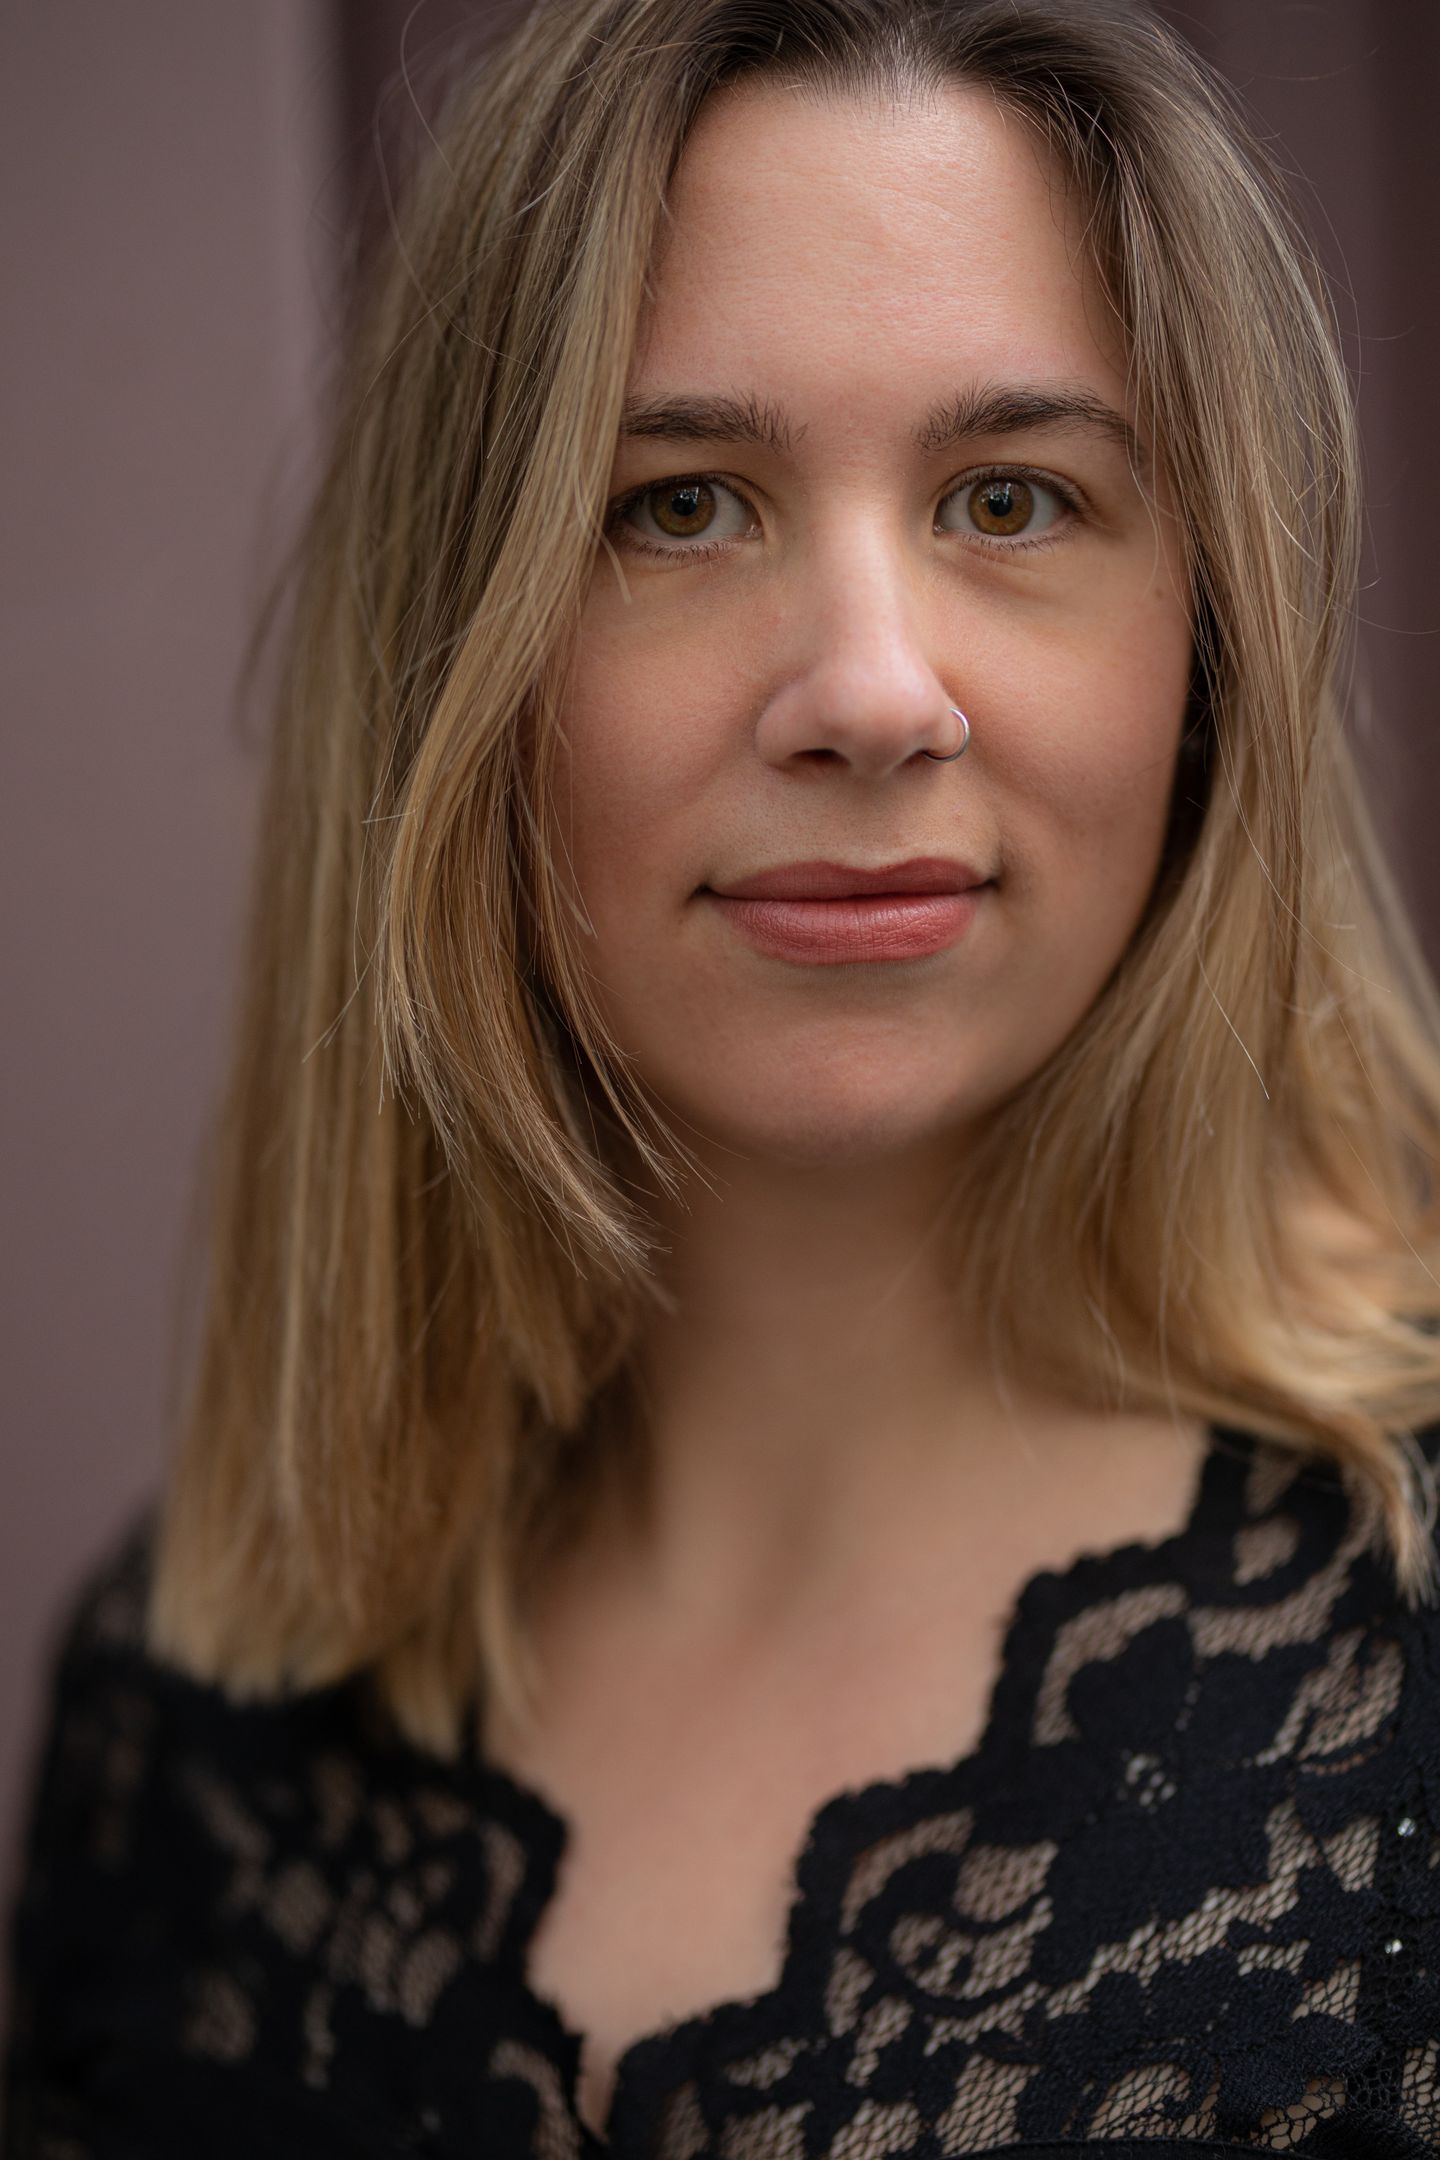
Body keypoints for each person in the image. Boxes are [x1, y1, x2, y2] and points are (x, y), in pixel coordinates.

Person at [8, 0, 1440, 2150]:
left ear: (1209, 652)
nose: (869, 693)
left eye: (1012, 497)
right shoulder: (184, 1713)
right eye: (679, 506)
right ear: (453, 662)